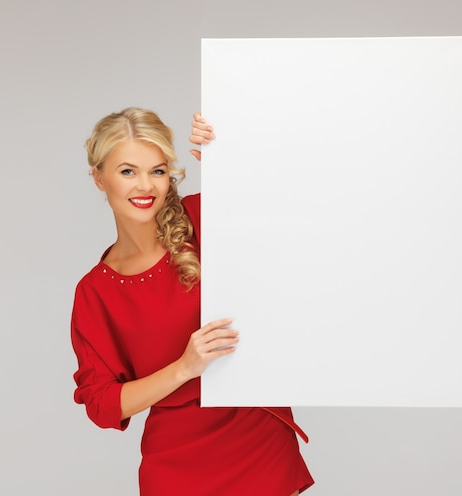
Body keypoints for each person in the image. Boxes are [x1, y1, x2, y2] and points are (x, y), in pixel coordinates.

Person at [70, 107, 314, 495]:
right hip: (176, 460)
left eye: (158, 170)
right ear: (99, 178)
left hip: (256, 438)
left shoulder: (203, 219)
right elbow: (102, 404)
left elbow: (286, 201)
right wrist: (184, 368)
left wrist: (230, 155)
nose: (145, 186)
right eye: (128, 171)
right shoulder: (95, 291)